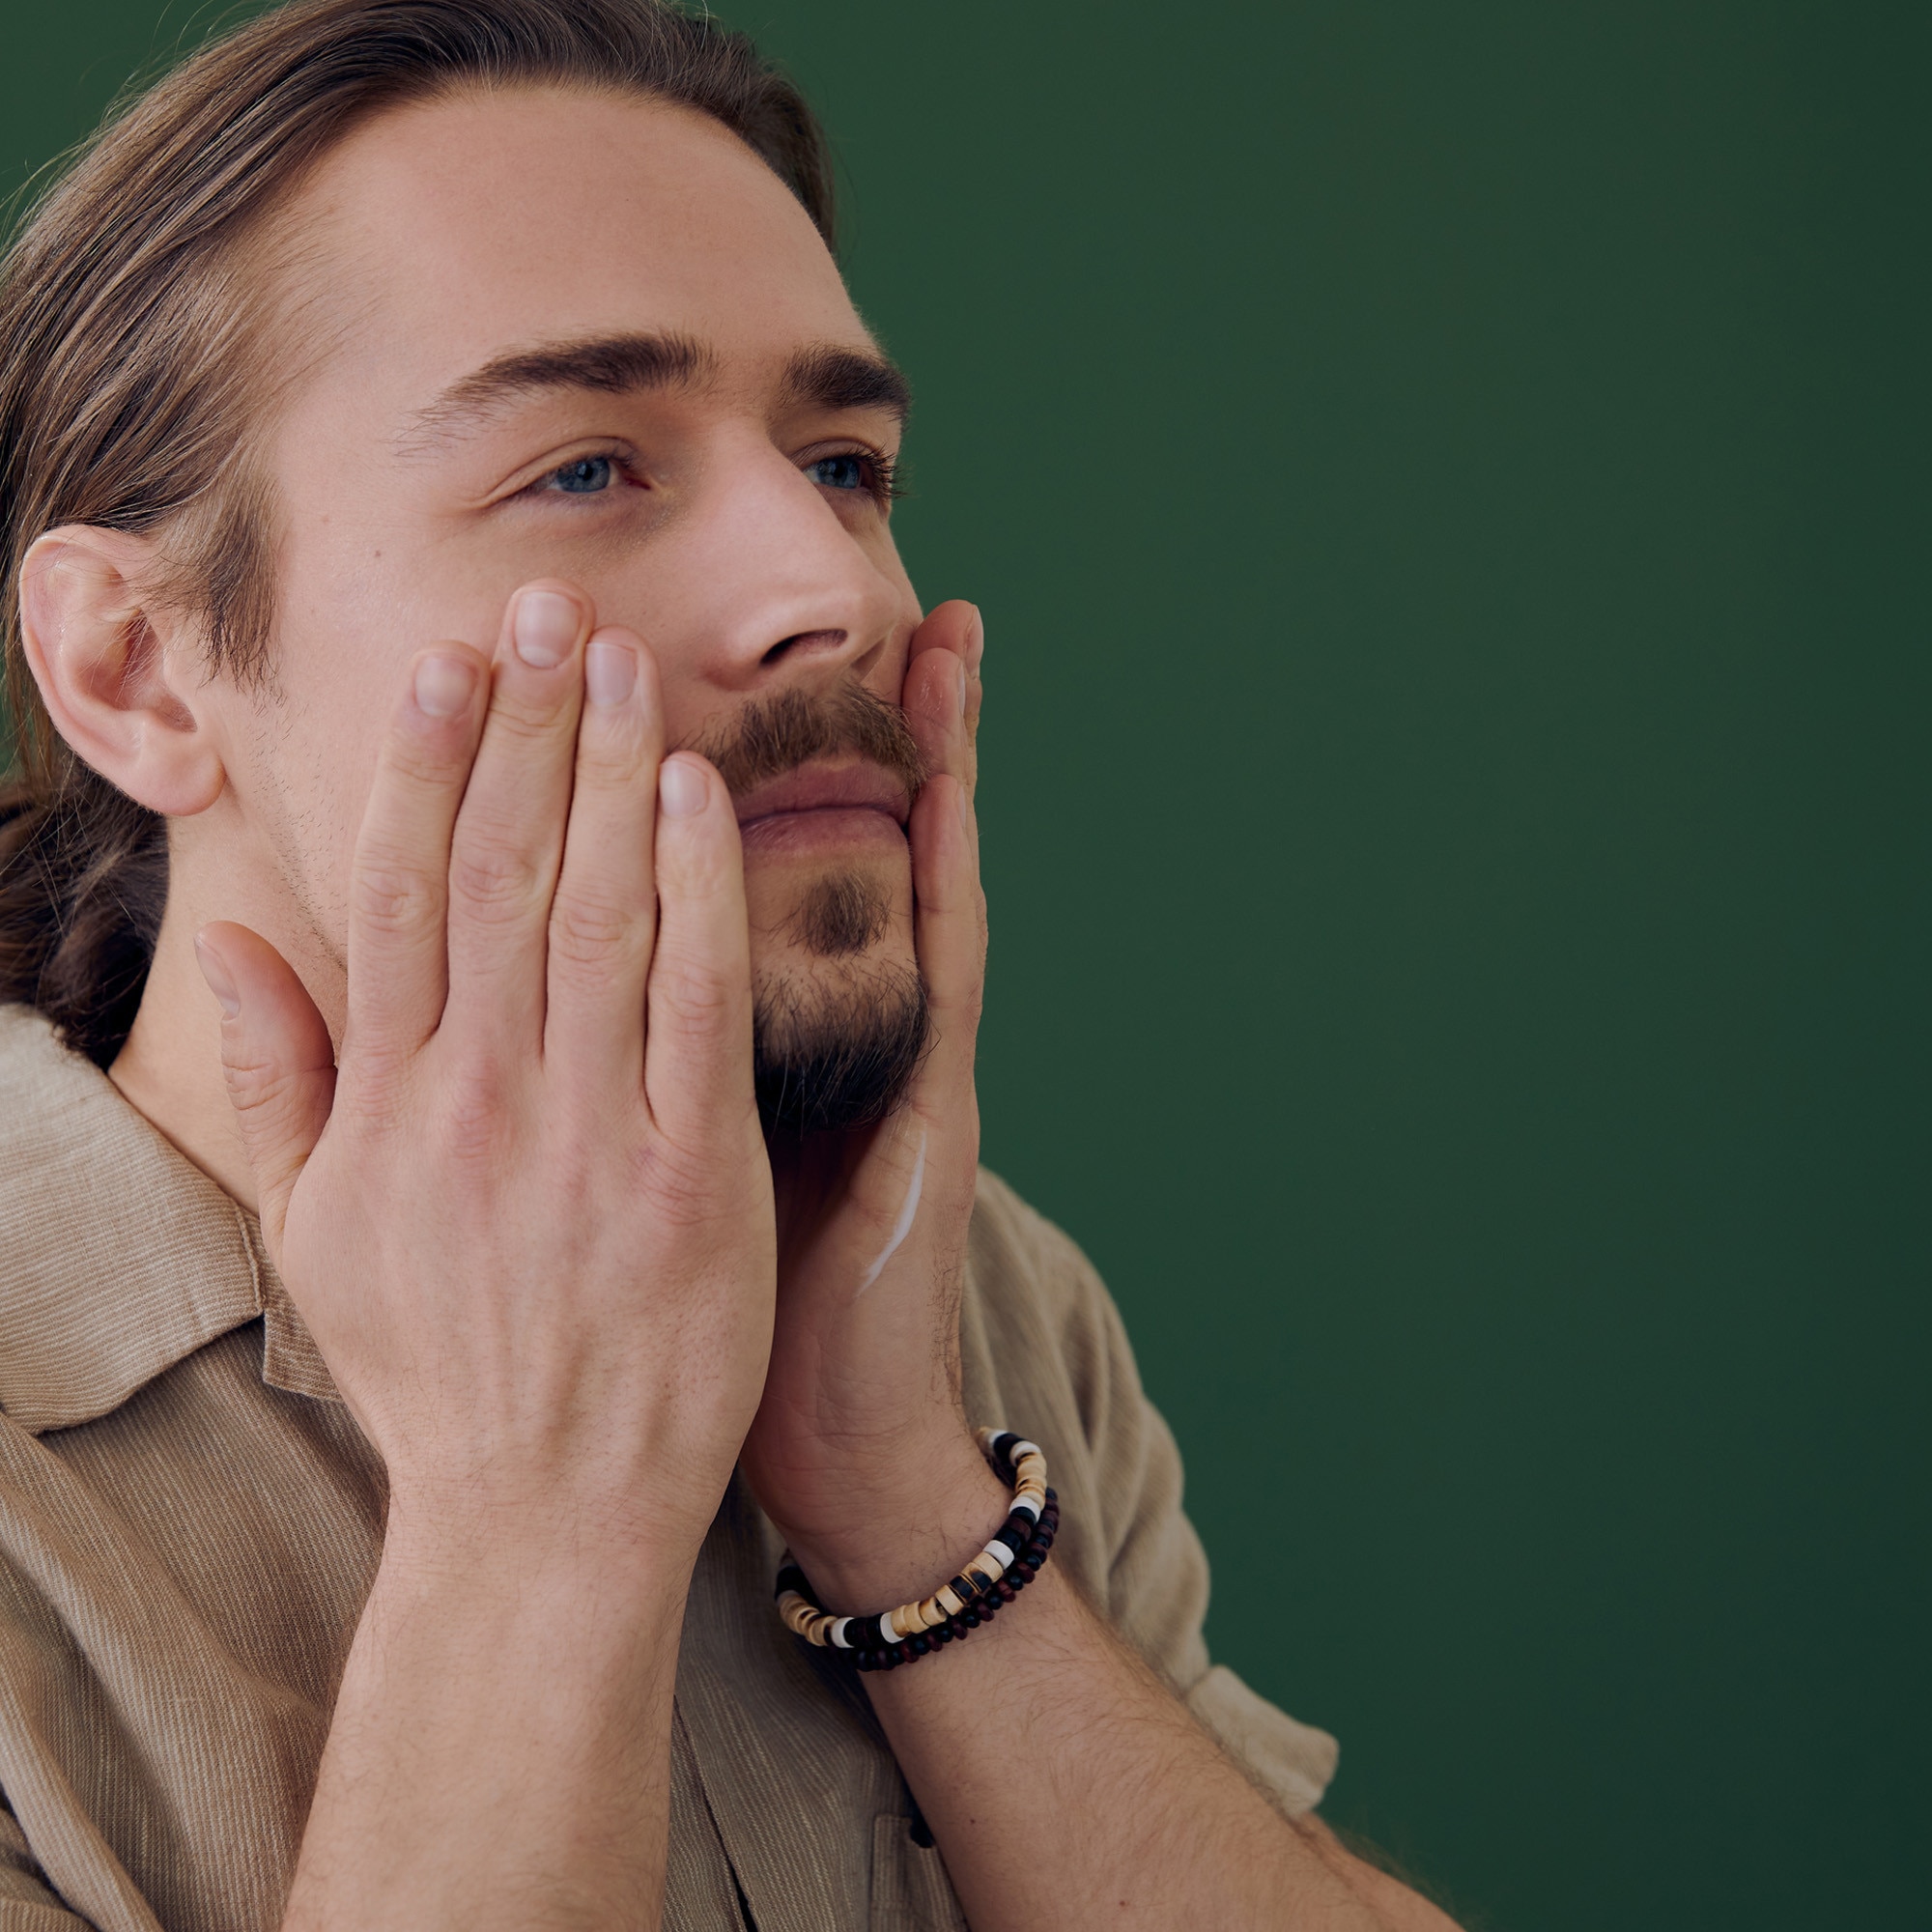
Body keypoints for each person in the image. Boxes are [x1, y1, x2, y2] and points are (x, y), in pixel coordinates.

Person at [0, 2, 1460, 1926]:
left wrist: (906, 1505)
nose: (837, 592)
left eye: (843, 463)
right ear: (133, 667)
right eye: (587, 468)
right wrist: (532, 1510)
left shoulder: (966, 1306)